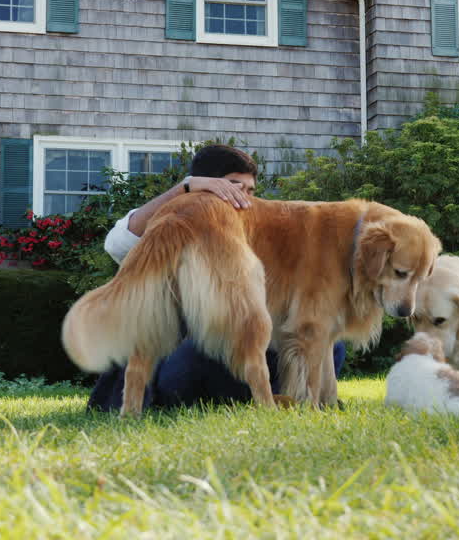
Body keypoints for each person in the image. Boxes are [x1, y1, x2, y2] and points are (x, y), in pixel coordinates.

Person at [87, 144, 346, 412]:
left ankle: (279, 395)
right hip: (189, 359)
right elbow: (117, 244)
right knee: (206, 347)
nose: (242, 198)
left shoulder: (254, 228)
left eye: (249, 191)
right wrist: (187, 188)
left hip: (251, 349)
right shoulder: (177, 219)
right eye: (232, 187)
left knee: (328, 341)